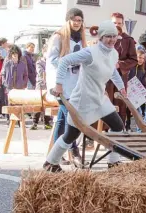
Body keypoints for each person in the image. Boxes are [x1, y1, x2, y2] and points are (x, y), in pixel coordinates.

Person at [43, 20, 127, 172]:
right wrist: (59, 84)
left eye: (114, 36)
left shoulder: (113, 53)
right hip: (83, 101)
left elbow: (112, 71)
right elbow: (64, 62)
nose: (112, 40)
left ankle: (113, 162)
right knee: (71, 135)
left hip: (100, 99)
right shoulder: (90, 53)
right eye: (108, 36)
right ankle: (50, 162)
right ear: (101, 37)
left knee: (118, 126)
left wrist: (121, 87)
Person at [46, 8, 87, 164]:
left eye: (80, 20)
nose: (77, 23)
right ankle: (74, 150)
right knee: (71, 117)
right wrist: (69, 62)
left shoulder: (81, 38)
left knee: (63, 119)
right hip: (60, 84)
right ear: (68, 20)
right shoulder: (59, 37)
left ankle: (56, 154)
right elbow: (51, 60)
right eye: (74, 20)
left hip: (75, 85)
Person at [106, 12, 137, 124]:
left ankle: (118, 129)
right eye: (114, 22)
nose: (116, 25)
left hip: (120, 76)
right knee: (105, 102)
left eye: (119, 23)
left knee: (119, 103)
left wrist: (120, 64)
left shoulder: (128, 40)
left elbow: (134, 59)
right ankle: (101, 131)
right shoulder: (104, 37)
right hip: (105, 76)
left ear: (123, 24)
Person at [0, 45, 28, 124]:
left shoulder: (22, 63)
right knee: (9, 102)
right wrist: (3, 82)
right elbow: (3, 73)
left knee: (19, 103)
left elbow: (25, 74)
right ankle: (9, 119)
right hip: (9, 86)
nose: (15, 55)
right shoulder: (7, 63)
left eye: (16, 54)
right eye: (13, 54)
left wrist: (24, 83)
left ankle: (19, 119)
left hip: (19, 86)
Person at [31, 44, 52, 130]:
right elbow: (41, 73)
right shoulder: (39, 62)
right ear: (43, 52)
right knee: (38, 104)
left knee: (48, 104)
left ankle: (47, 122)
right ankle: (35, 123)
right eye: (47, 52)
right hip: (41, 85)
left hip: (49, 85)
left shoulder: (51, 61)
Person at [126, 49, 146, 131]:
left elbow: (142, 82)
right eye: (139, 57)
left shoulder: (142, 70)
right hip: (128, 92)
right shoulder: (131, 68)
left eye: (142, 58)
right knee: (127, 111)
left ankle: (139, 129)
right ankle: (127, 126)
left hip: (136, 94)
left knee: (138, 112)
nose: (141, 60)